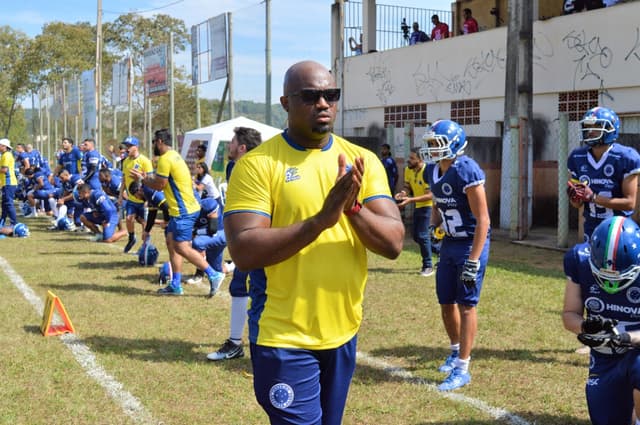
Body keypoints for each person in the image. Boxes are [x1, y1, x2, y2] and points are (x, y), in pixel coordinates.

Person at [223, 60, 404, 424]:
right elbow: (243, 250)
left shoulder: (361, 161)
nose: (323, 103)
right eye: (310, 96)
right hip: (283, 336)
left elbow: (393, 242)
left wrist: (352, 209)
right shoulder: (258, 165)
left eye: (330, 95)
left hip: (342, 333)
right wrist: (321, 220)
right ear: (285, 103)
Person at [420, 119, 490, 391]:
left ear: (455, 145)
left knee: (467, 304)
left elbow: (483, 219)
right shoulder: (431, 170)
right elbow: (438, 203)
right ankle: (455, 349)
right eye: (430, 144)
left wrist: (474, 259)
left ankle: (463, 367)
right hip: (450, 242)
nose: (432, 149)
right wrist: (434, 226)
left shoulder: (466, 170)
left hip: (470, 242)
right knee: (445, 300)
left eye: (436, 144)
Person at [562, 216, 640, 425]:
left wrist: (627, 338)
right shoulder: (579, 258)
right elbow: (569, 314)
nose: (610, 284)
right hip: (605, 356)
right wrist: (586, 327)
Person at [129, 128, 225, 297]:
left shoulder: (166, 159)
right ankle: (175, 285)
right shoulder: (174, 155)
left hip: (184, 211)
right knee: (171, 242)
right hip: (180, 210)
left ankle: (214, 274)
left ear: (159, 141)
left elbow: (160, 185)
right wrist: (145, 177)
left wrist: (143, 179)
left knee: (181, 247)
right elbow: (161, 182)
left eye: (153, 142)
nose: (153, 145)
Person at [207, 125, 262, 362]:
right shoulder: (233, 167)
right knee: (243, 285)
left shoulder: (260, 167)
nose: (228, 145)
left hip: (259, 237)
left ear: (241, 147)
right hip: (242, 236)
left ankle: (239, 343)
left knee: (249, 286)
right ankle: (237, 342)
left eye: (231, 142)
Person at [566, 106, 640, 242]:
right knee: (575, 259)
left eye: (596, 126)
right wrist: (575, 197)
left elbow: (630, 203)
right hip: (591, 227)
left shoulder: (626, 157)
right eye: (588, 127)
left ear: (611, 129)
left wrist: (593, 197)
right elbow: (578, 205)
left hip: (619, 230)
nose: (591, 131)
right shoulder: (577, 157)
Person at [394, 147, 434, 277]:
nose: (408, 160)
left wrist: (409, 200)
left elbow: (430, 195)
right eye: (409, 157)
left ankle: (428, 266)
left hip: (428, 207)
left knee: (422, 236)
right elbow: (407, 186)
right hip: (418, 205)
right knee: (417, 237)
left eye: (412, 158)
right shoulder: (408, 170)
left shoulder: (427, 171)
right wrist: (403, 193)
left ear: (420, 159)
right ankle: (440, 252)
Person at [118, 136, 153, 253]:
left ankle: (145, 246)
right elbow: (124, 179)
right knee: (128, 218)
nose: (126, 149)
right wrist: (120, 194)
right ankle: (132, 237)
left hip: (143, 199)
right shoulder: (126, 161)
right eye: (126, 146)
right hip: (131, 198)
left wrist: (148, 199)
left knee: (144, 223)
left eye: (129, 146)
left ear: (136, 147)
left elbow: (151, 179)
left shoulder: (145, 161)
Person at [0, 138, 18, 226]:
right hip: (5, 183)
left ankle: (14, 223)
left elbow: (4, 169)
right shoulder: (4, 155)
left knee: (8, 203)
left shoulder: (7, 155)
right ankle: (2, 222)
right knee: (4, 204)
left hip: (9, 182)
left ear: (4, 146)